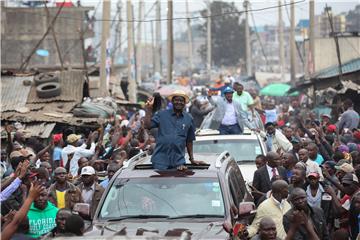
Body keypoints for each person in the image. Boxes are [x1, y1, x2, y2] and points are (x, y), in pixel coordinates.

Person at [144, 90, 203, 170]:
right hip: (160, 161)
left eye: (181, 100)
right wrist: (148, 110)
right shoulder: (162, 114)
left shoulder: (189, 119)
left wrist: (191, 159)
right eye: (176, 100)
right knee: (160, 182)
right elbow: (147, 125)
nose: (179, 102)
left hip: (178, 162)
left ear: (185, 102)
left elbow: (189, 141)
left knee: (178, 181)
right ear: (172, 101)